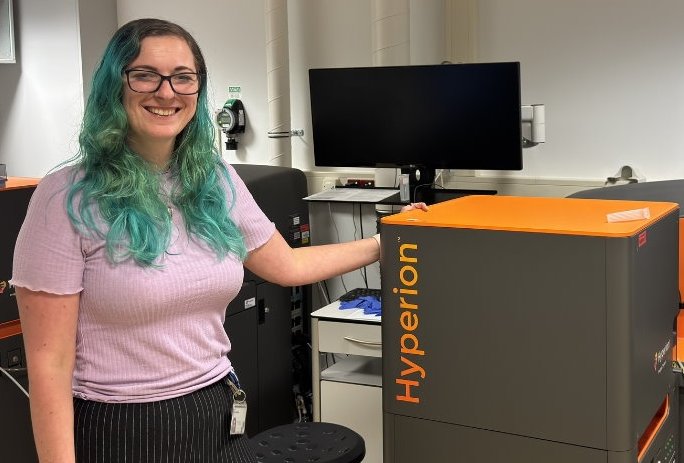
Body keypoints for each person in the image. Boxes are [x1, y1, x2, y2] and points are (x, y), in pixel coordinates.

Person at [11, 18, 428, 463]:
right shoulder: (65, 197)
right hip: (122, 427)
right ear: (114, 84)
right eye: (145, 74)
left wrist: (388, 240)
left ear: (198, 90)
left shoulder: (214, 180)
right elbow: (48, 367)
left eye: (182, 78)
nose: (166, 92)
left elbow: (287, 266)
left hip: (218, 409)